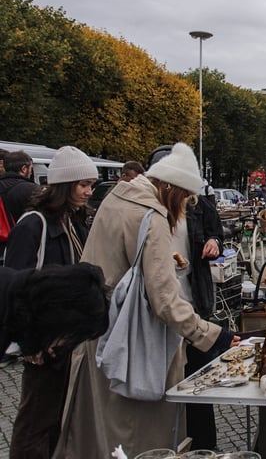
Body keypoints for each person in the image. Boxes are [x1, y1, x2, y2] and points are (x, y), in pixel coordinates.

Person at [55, 142, 237, 458]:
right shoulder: (151, 216)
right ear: (170, 188)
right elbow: (164, 300)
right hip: (133, 344)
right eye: (184, 197)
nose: (184, 206)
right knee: (139, 439)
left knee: (100, 436)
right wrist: (212, 335)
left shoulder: (115, 199)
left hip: (97, 333)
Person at [3, 146, 99, 459]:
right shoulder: (34, 224)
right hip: (44, 344)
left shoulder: (74, 221)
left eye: (91, 185)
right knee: (35, 423)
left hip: (68, 341)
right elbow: (15, 288)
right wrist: (30, 342)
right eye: (83, 185)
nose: (89, 192)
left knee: (59, 419)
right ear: (65, 185)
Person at [147, 145, 224, 450]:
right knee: (164, 383)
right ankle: (169, 445)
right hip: (160, 310)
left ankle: (205, 446)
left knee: (198, 381)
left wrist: (214, 242)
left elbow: (217, 233)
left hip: (194, 299)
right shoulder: (147, 210)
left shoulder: (198, 205)